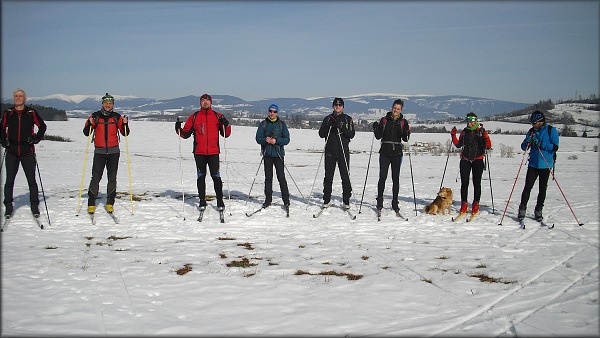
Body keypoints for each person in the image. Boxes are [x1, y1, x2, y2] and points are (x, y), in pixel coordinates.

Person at [175, 93, 231, 211]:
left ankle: (220, 200)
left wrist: (227, 125)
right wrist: (178, 128)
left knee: (216, 176)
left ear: (211, 103)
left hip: (213, 152)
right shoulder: (194, 117)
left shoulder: (217, 116)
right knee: (201, 176)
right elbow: (185, 134)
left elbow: (226, 134)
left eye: (207, 100)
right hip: (199, 152)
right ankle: (202, 200)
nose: (205, 102)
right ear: (200, 103)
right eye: (203, 101)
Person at [1, 88, 47, 218]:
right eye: (16, 96)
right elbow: (2, 128)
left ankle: (34, 205)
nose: (18, 98)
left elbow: (42, 126)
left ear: (25, 99)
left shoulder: (31, 113)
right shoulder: (8, 113)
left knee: (31, 180)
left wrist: (36, 139)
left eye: (20, 96)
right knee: (9, 180)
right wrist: (4, 141)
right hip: (12, 151)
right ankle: (8, 206)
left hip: (27, 151)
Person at [83, 93, 130, 214]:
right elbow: (86, 133)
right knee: (96, 177)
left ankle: (110, 203)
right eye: (106, 103)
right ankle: (91, 203)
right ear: (102, 104)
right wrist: (89, 123)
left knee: (112, 177)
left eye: (110, 103)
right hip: (99, 151)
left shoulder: (116, 117)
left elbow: (125, 133)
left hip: (114, 152)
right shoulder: (95, 116)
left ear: (113, 105)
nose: (108, 105)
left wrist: (125, 123)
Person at [517, 111, 559, 221]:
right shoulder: (531, 132)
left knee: (542, 189)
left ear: (541, 122)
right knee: (527, 187)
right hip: (533, 164)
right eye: (532, 123)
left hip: (546, 165)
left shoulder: (551, 131)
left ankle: (538, 210)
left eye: (535, 123)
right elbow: (523, 147)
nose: (533, 125)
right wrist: (527, 142)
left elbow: (554, 147)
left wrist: (540, 143)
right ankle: (522, 210)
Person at [372, 99, 411, 214]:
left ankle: (395, 203)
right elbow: (378, 136)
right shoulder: (384, 120)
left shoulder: (403, 122)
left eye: (398, 109)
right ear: (392, 107)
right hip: (384, 152)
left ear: (401, 110)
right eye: (395, 108)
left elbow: (405, 139)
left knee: (396, 179)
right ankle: (379, 202)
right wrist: (375, 128)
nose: (396, 110)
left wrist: (407, 133)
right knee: (382, 178)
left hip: (397, 154)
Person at [451, 112, 492, 216]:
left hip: (478, 160)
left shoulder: (481, 132)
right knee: (464, 183)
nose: (470, 123)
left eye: (472, 121)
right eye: (468, 121)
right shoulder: (465, 132)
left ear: (476, 121)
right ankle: (464, 203)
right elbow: (458, 144)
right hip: (465, 160)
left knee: (476, 183)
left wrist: (486, 137)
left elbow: (488, 146)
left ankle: (476, 203)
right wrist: (453, 135)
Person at [318, 97, 355, 208]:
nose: (337, 106)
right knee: (328, 176)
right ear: (333, 106)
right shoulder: (328, 118)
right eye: (336, 104)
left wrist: (342, 127)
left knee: (345, 176)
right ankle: (326, 199)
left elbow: (351, 134)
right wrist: (329, 125)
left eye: (340, 105)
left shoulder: (348, 119)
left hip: (343, 151)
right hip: (330, 151)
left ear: (343, 106)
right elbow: (321, 134)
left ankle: (346, 200)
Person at [255, 104, 290, 211]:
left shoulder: (281, 124)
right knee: (268, 178)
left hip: (278, 154)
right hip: (267, 155)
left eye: (274, 112)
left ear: (277, 113)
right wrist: (265, 140)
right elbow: (258, 138)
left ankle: (286, 200)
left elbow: (287, 139)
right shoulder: (263, 124)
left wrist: (276, 141)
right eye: (270, 111)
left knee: (281, 177)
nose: (272, 113)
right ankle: (268, 200)